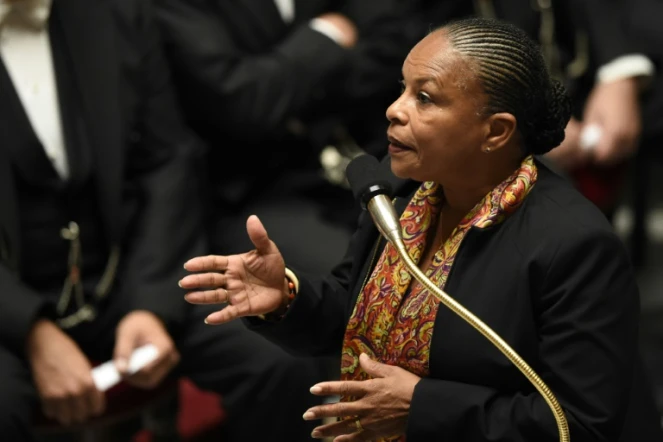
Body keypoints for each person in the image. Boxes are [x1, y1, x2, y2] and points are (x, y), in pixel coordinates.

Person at [179, 17, 663, 442]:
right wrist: (286, 297)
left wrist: (422, 407)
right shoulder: (403, 196)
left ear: (495, 131)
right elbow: (351, 313)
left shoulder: (574, 244)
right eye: (402, 88)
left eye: (425, 98)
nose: (394, 109)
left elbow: (578, 426)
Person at [0, 0, 326, 440]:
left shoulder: (113, 12)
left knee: (281, 359)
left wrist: (149, 303)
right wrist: (29, 329)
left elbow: (167, 161)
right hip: (9, 304)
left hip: (126, 272)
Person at [153, 0, 417, 274]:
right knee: (368, 274)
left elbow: (392, 47)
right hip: (251, 190)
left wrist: (289, 90)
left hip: (359, 161)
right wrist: (325, 35)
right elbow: (243, 102)